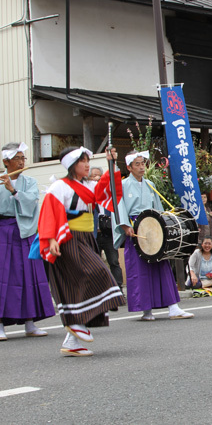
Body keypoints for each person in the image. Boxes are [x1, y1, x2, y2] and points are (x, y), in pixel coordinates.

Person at [38, 146, 125, 356]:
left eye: (88, 161)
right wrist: (50, 239)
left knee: (78, 283)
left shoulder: (89, 184)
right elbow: (48, 212)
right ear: (71, 165)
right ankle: (75, 324)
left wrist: (111, 163)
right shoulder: (59, 186)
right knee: (96, 273)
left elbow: (109, 189)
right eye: (82, 161)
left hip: (87, 238)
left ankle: (72, 340)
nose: (87, 165)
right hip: (68, 238)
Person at [113, 150, 194, 321]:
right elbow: (118, 205)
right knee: (140, 269)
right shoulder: (123, 185)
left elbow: (158, 208)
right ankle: (146, 310)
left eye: (143, 163)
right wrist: (125, 225)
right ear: (129, 167)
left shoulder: (150, 184)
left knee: (161, 265)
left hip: (153, 227)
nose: (142, 167)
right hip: (135, 228)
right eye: (137, 164)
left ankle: (173, 307)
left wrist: (163, 226)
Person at [0, 143, 55, 342]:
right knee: (3, 277)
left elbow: (31, 203)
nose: (22, 161)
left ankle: (30, 323)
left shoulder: (29, 182)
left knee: (28, 275)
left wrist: (13, 190)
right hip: (3, 231)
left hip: (25, 231)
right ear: (6, 162)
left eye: (23, 157)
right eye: (17, 158)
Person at [89, 165, 124, 292]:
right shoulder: (88, 195)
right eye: (94, 176)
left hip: (109, 234)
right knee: (94, 264)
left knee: (114, 261)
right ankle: (98, 291)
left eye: (99, 176)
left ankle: (118, 289)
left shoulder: (108, 195)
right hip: (94, 235)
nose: (97, 179)